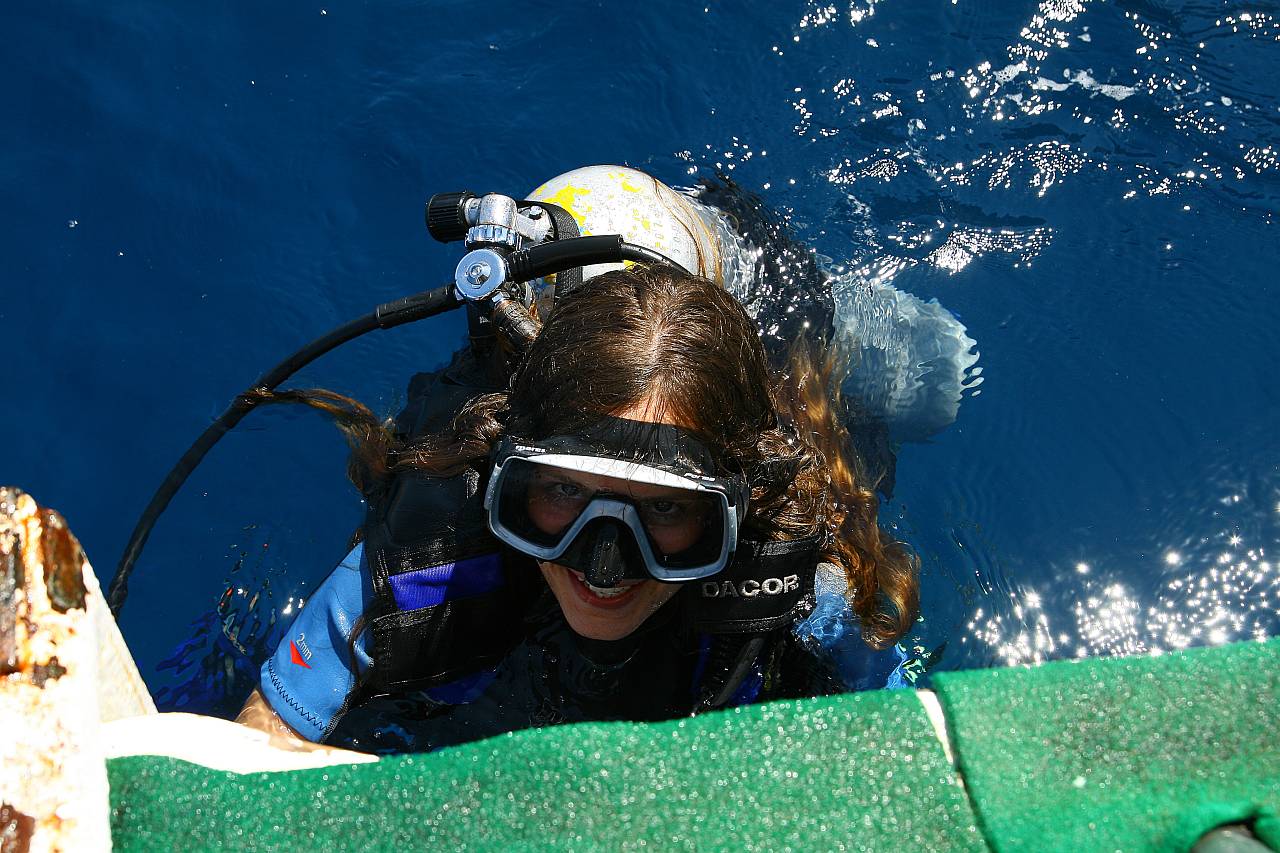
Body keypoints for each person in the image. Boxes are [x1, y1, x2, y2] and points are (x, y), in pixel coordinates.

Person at [236, 167, 923, 754]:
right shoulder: (427, 555)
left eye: (667, 508)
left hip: (780, 315)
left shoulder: (800, 593)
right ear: (504, 476)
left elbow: (906, 757)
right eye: (563, 492)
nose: (603, 566)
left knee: (924, 387)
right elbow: (260, 749)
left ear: (734, 514)